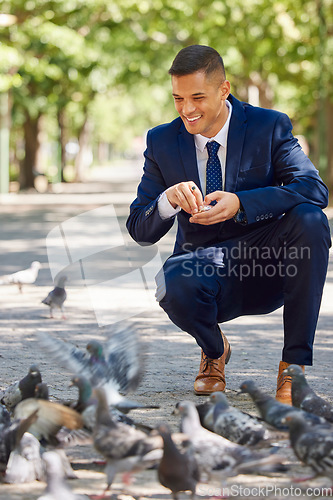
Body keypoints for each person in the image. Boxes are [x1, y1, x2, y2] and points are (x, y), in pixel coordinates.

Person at [126, 45, 331, 405]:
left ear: (224, 90)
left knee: (311, 219)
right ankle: (214, 350)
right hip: (205, 272)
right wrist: (168, 200)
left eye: (197, 97)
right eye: (178, 99)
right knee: (170, 282)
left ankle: (293, 368)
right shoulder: (161, 141)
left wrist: (242, 203)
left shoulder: (269, 126)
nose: (187, 110)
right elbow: (140, 229)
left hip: (270, 267)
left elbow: (313, 188)